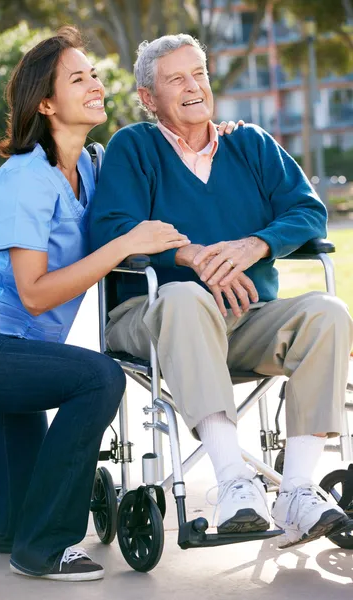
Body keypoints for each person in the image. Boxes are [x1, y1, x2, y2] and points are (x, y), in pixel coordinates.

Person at [0, 27, 199, 582]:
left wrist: (212, 133)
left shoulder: (91, 164)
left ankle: (22, 536)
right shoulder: (24, 180)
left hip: (18, 351)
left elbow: (165, 162)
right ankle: (47, 549)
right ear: (45, 102)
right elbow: (35, 293)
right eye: (78, 77)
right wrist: (121, 246)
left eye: (94, 74)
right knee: (98, 378)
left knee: (5, 523)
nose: (96, 83)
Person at [89, 34, 353, 549]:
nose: (194, 87)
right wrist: (193, 257)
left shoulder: (249, 142)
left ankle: (297, 488)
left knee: (328, 312)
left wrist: (255, 245)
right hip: (152, 315)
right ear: (149, 98)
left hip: (245, 318)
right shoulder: (133, 147)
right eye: (176, 79)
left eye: (200, 73)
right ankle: (234, 480)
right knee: (187, 297)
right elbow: (113, 228)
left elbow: (307, 211)